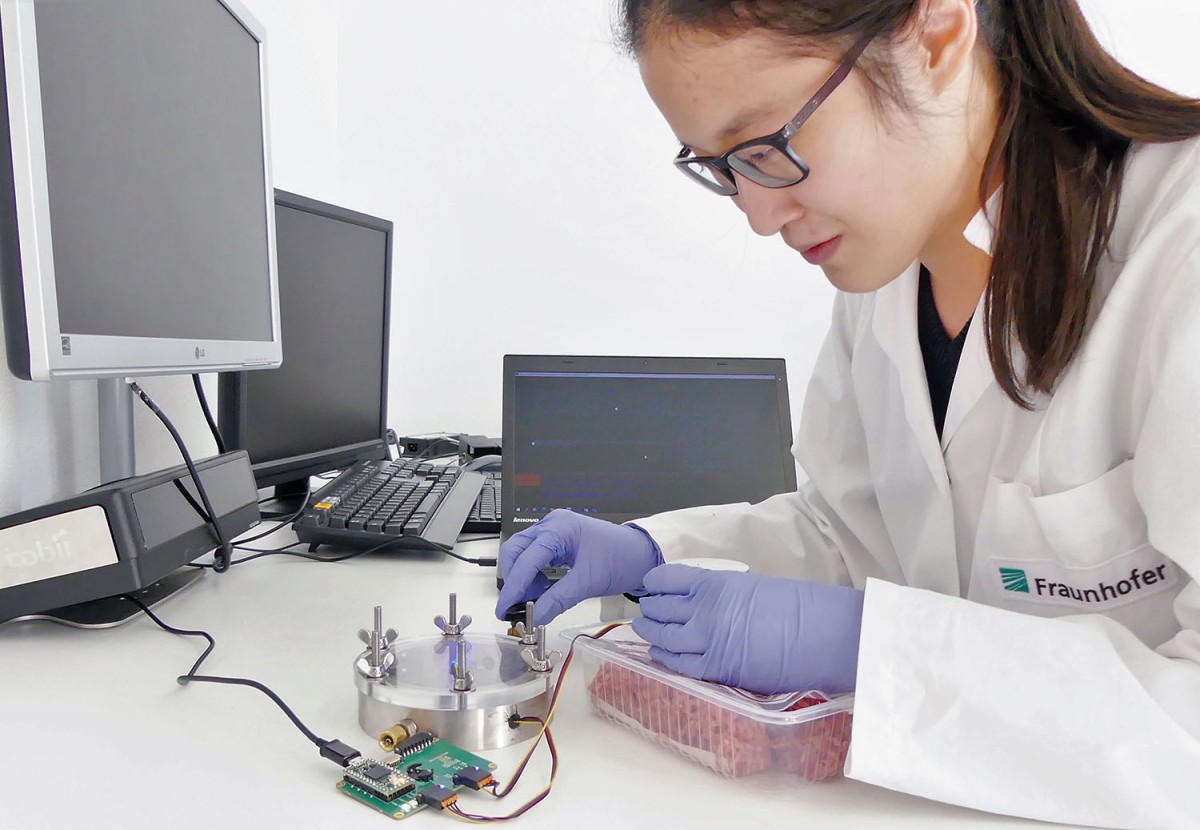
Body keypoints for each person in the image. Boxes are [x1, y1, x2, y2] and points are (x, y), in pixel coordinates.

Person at [495, 0, 1200, 826]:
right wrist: (654, 550)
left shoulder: (1177, 248)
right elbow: (853, 533)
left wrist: (869, 646)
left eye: (768, 147)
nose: (758, 217)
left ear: (936, 37)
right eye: (722, 167)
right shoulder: (889, 273)